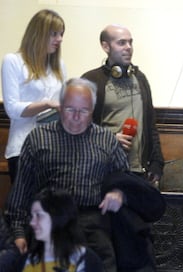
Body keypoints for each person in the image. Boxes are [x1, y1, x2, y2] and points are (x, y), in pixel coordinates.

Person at [5, 77, 130, 272]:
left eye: (84, 111)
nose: (76, 117)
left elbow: (126, 180)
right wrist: (19, 233)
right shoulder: (38, 138)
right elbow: (22, 191)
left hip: (92, 222)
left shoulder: (106, 140)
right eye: (71, 109)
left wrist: (118, 192)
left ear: (92, 111)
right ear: (60, 107)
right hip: (47, 223)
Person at [82, 24, 164, 187]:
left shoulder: (140, 78)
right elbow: (81, 129)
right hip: (105, 170)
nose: (128, 48)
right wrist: (110, 139)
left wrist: (157, 162)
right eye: (121, 43)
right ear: (106, 46)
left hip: (139, 171)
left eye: (130, 42)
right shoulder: (91, 80)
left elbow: (150, 125)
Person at [1, 9, 66, 183]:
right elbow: (13, 109)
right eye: (54, 34)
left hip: (54, 148)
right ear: (39, 33)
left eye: (61, 34)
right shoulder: (13, 61)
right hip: (23, 148)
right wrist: (47, 104)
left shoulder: (59, 66)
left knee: (54, 207)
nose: (59, 39)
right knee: (26, 207)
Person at [22, 188, 104, 272]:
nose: (32, 222)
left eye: (39, 215)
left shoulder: (86, 259)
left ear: (58, 217)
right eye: (32, 216)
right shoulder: (30, 260)